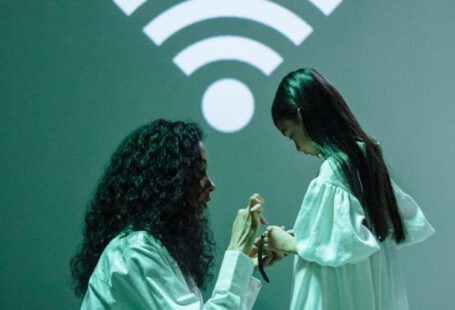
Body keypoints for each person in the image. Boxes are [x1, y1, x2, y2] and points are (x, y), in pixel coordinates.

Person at [264, 68, 435, 309]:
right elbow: (344, 243)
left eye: (291, 135)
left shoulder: (333, 174)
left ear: (302, 117)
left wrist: (289, 244)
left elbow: (342, 249)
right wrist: (309, 237)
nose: (297, 148)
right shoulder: (366, 162)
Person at [70, 119, 270, 309]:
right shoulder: (135, 252)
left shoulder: (160, 251)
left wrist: (245, 265)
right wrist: (237, 248)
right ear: (167, 180)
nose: (211, 185)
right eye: (199, 173)